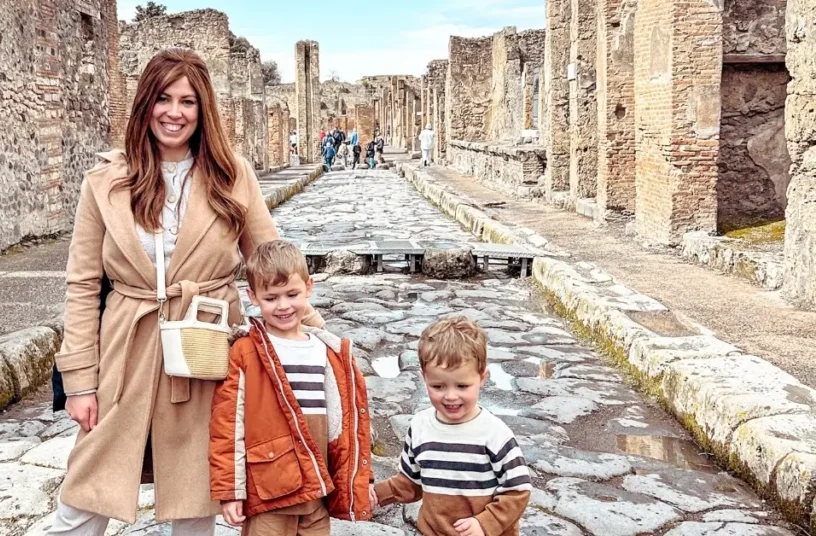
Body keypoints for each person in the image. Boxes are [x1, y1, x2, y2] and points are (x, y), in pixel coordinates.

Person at [49, 47, 324, 536]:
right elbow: (82, 282)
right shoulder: (105, 182)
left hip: (205, 341)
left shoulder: (231, 174)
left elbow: (271, 260)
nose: (174, 112)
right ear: (144, 104)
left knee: (196, 489)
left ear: (203, 110)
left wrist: (314, 337)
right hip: (125, 345)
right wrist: (79, 381)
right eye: (163, 98)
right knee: (87, 485)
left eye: (188, 101)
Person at [210, 240, 373, 535]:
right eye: (271, 298)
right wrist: (231, 489)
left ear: (308, 288)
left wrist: (361, 479)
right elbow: (227, 424)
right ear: (253, 296)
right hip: (270, 494)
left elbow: (350, 427)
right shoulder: (247, 351)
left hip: (317, 493)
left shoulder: (329, 351)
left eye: (292, 294)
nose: (283, 306)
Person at [370, 317, 532, 536]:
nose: (451, 396)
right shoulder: (419, 427)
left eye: (463, 385)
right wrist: (376, 494)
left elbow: (518, 490)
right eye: (438, 386)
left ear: (482, 378)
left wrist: (486, 523)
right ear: (423, 378)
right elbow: (409, 483)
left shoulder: (495, 434)